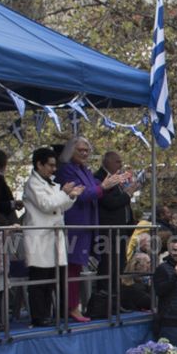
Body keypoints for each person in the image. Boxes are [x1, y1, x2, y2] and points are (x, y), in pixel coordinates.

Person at [57, 137, 127, 322]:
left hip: (88, 224)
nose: (84, 154)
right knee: (71, 268)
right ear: (70, 151)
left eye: (87, 150)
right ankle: (71, 307)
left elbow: (93, 191)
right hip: (74, 224)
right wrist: (103, 186)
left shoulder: (84, 170)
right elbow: (80, 196)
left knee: (77, 267)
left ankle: (74, 305)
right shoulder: (66, 170)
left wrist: (105, 186)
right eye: (80, 150)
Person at [22, 147, 83, 327]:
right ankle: (38, 316)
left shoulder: (52, 183)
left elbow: (61, 207)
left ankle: (49, 313)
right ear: (39, 164)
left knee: (51, 279)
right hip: (39, 236)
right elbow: (47, 205)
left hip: (54, 236)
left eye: (54, 165)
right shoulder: (32, 184)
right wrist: (64, 193)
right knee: (39, 278)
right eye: (50, 165)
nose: (53, 169)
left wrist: (71, 196)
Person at [93, 150, 136, 282]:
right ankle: (104, 297)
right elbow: (109, 202)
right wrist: (128, 194)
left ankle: (114, 295)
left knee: (119, 265)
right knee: (108, 266)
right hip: (108, 231)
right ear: (108, 161)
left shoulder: (116, 178)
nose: (120, 165)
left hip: (121, 230)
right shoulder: (99, 178)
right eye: (117, 161)